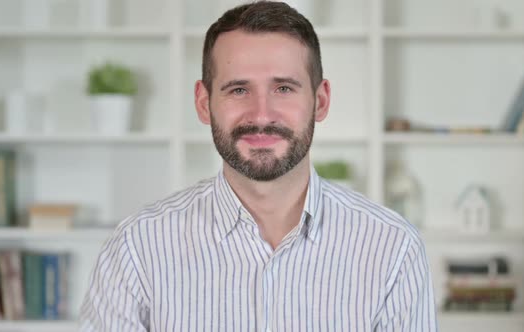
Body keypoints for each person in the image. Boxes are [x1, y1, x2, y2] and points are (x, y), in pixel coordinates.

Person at [79, 1, 438, 331]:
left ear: (321, 100)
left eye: (283, 88)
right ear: (204, 104)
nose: (261, 115)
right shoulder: (137, 248)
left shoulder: (393, 247)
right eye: (238, 90)